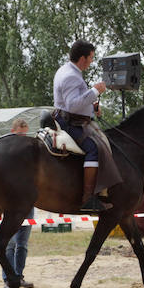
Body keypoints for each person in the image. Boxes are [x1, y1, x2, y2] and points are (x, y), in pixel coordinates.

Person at [53, 39, 117, 210]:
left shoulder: (68, 70)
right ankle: (88, 198)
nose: (91, 61)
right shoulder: (71, 76)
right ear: (83, 58)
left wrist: (91, 105)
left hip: (71, 118)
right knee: (93, 148)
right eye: (91, 58)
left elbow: (76, 101)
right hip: (69, 122)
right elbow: (72, 105)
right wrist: (95, 91)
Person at [3, 118, 34, 288]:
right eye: (20, 135)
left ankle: (19, 276)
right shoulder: (5, 153)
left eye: (25, 135)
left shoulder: (30, 155)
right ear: (13, 131)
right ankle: (8, 279)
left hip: (28, 203)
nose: (23, 139)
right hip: (11, 203)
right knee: (10, 244)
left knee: (22, 243)